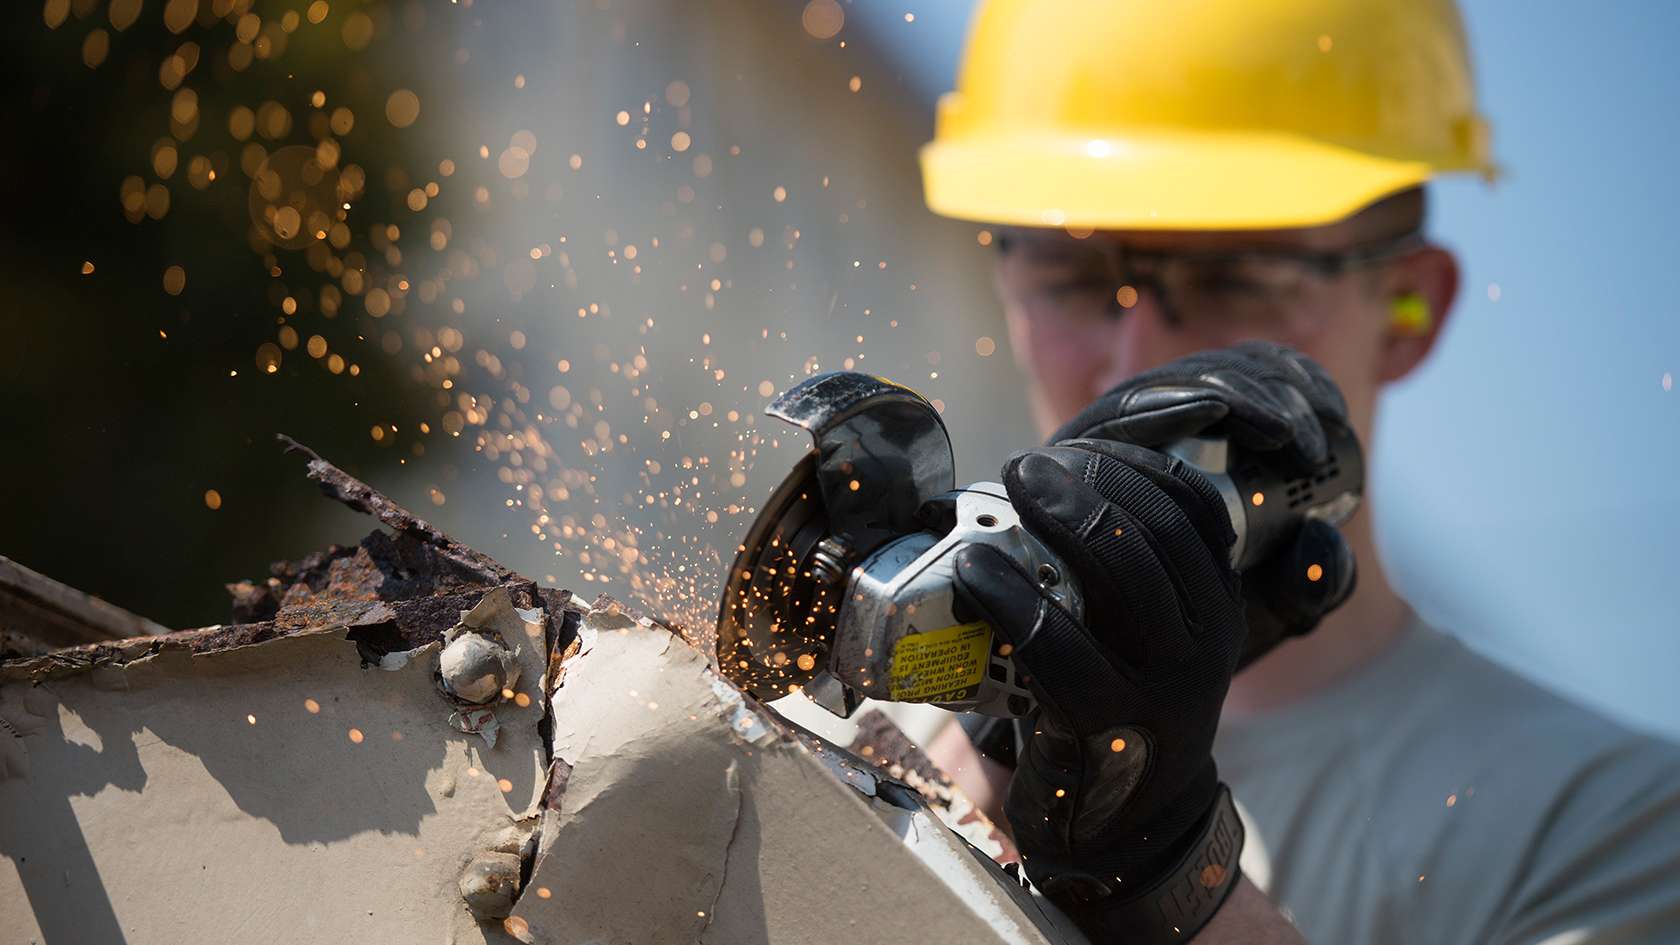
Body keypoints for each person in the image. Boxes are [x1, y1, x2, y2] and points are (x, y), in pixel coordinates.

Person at [917, 1, 1680, 943]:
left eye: (1235, 275)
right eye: (1074, 276)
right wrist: (989, 746)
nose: (1134, 355)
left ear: (1411, 307)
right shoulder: (883, 725)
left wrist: (1169, 877)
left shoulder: (1605, 829)